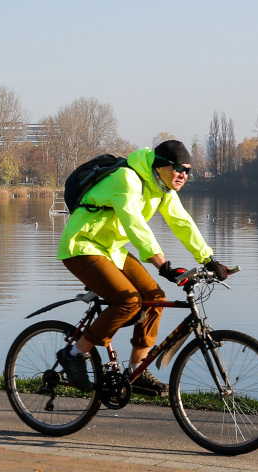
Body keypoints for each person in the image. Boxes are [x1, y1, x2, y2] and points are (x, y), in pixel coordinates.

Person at [56, 139, 231, 396]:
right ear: (160, 166)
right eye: (178, 169)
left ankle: (136, 370)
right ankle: (74, 353)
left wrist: (207, 259)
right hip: (82, 245)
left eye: (188, 171)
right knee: (128, 301)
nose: (183, 175)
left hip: (112, 250)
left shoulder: (162, 189)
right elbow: (135, 225)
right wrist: (163, 265)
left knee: (155, 298)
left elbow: (182, 222)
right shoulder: (127, 179)